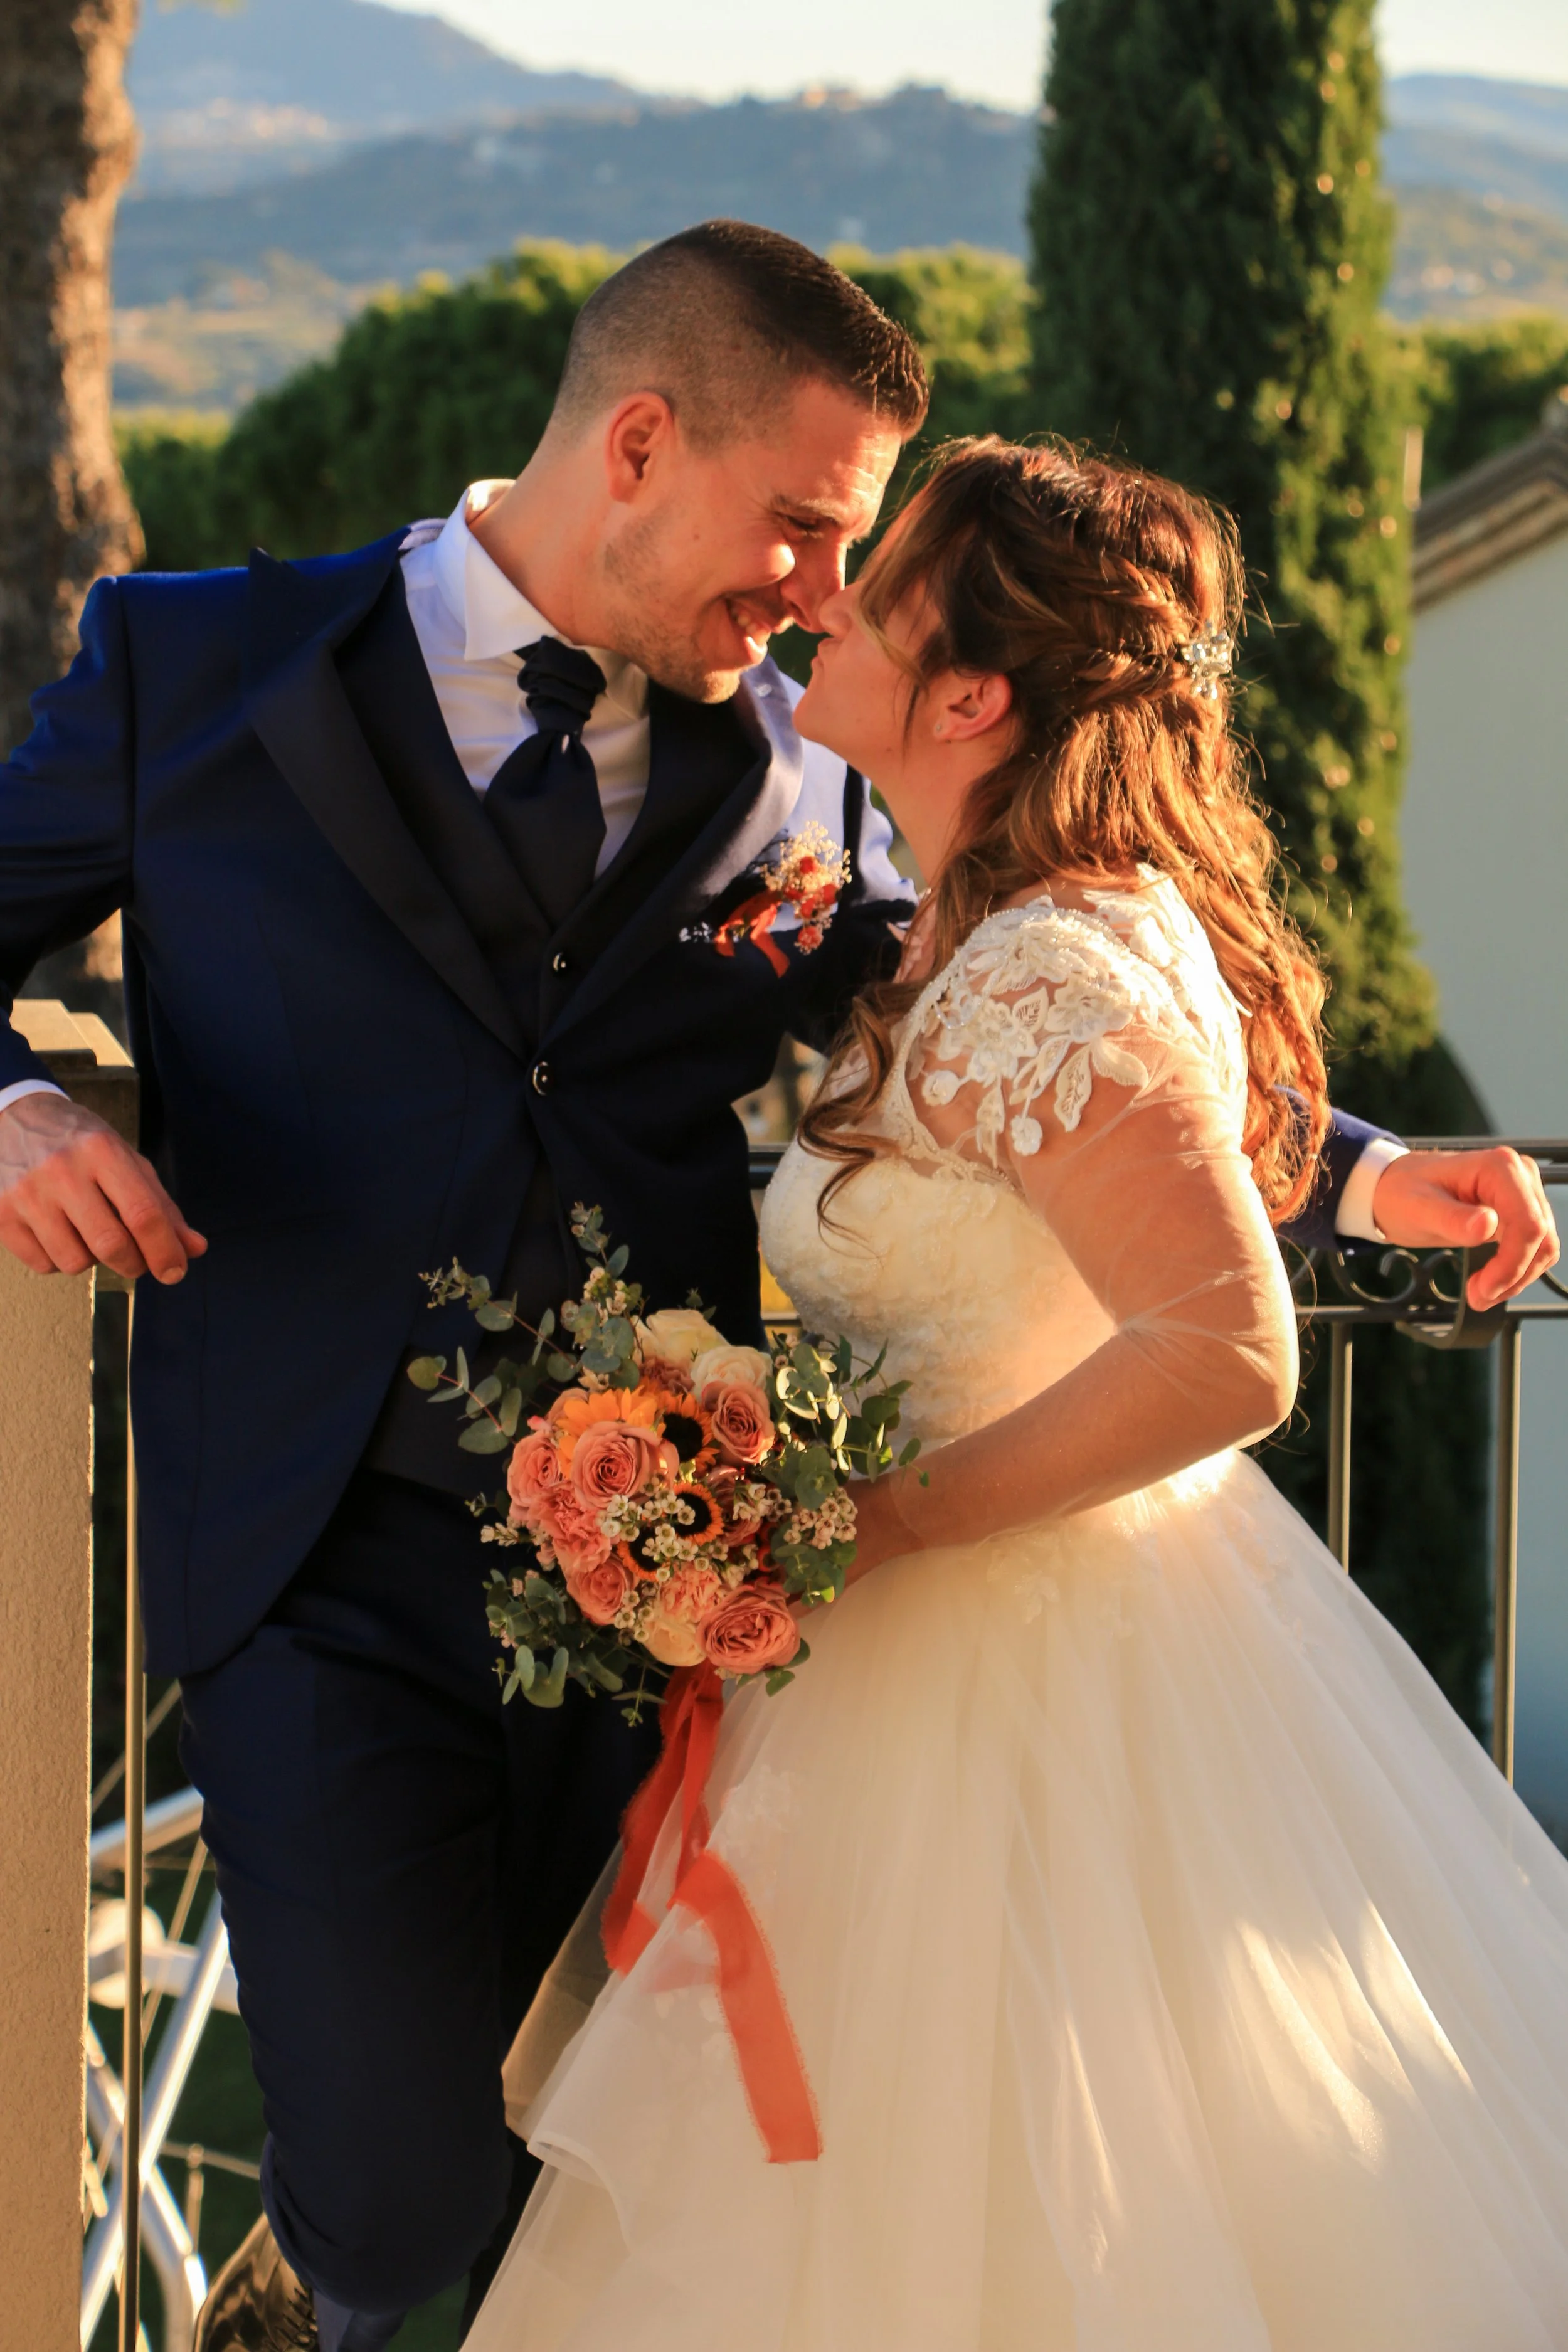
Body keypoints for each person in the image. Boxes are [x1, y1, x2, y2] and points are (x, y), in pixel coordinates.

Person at [0, 230, 1550, 2351]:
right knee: (391, 2180)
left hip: (684, 1603)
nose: (824, 588)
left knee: (641, 2180)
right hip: (313, 1553)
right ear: (638, 441)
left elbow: (1028, 1045)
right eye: (808, 524)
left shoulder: (813, 769)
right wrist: (16, 1101)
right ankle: (324, 2292)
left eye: (855, 557)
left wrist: (1360, 1169)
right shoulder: (193, 669)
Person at [464, 441, 1568, 2352]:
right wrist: (1371, 1173)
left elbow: (1225, 1347)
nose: (826, 598)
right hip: (958, 1653)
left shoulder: (1038, 960)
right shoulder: (1003, 913)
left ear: (970, 694)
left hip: (1010, 1679)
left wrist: (867, 1521)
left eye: (876, 585)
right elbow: (1153, 1149)